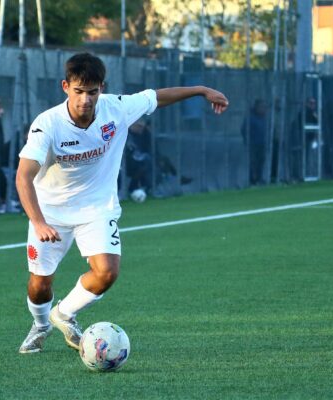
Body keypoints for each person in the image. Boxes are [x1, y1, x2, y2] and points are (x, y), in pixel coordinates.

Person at [16, 53, 228, 354]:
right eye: (78, 91)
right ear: (65, 86)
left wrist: (201, 90)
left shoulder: (116, 108)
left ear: (102, 88)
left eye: (92, 92)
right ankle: (40, 325)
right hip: (50, 213)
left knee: (107, 272)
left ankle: (64, 314)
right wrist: (38, 221)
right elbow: (24, 176)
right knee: (40, 283)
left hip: (97, 209)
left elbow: (156, 97)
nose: (86, 100)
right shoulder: (47, 125)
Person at [241, 99, 269, 185]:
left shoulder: (264, 118)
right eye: (261, 107)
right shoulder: (251, 118)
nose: (263, 109)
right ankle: (253, 180)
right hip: (253, 144)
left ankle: (259, 178)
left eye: (264, 107)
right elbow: (243, 130)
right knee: (253, 162)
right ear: (256, 107)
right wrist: (247, 140)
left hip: (262, 143)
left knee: (261, 161)